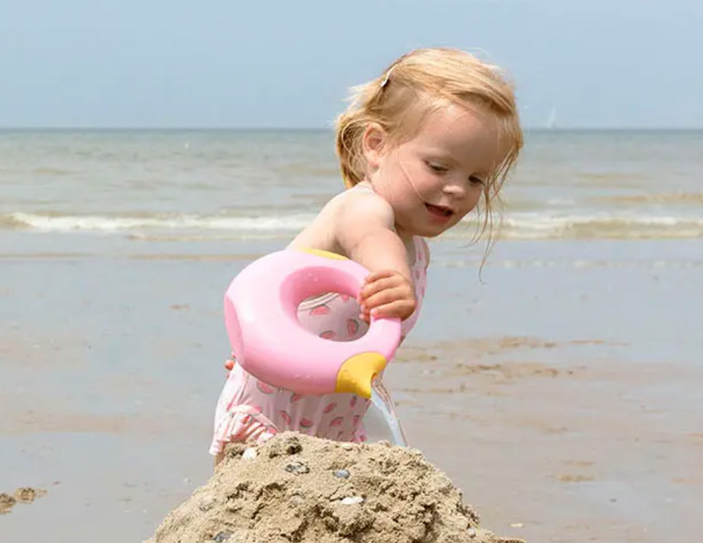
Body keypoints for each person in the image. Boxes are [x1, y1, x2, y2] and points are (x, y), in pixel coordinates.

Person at [211, 47, 523, 463]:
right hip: (270, 416)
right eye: (438, 166)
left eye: (476, 178)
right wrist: (392, 277)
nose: (457, 189)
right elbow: (372, 239)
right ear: (376, 145)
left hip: (333, 418)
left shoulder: (418, 247)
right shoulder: (362, 209)